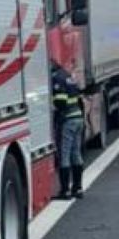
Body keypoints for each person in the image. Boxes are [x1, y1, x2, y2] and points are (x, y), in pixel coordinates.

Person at [51, 64, 86, 199]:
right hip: (78, 117)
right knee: (76, 153)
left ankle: (65, 191)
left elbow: (60, 101)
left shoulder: (57, 78)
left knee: (64, 154)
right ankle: (77, 188)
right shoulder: (67, 75)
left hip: (67, 119)